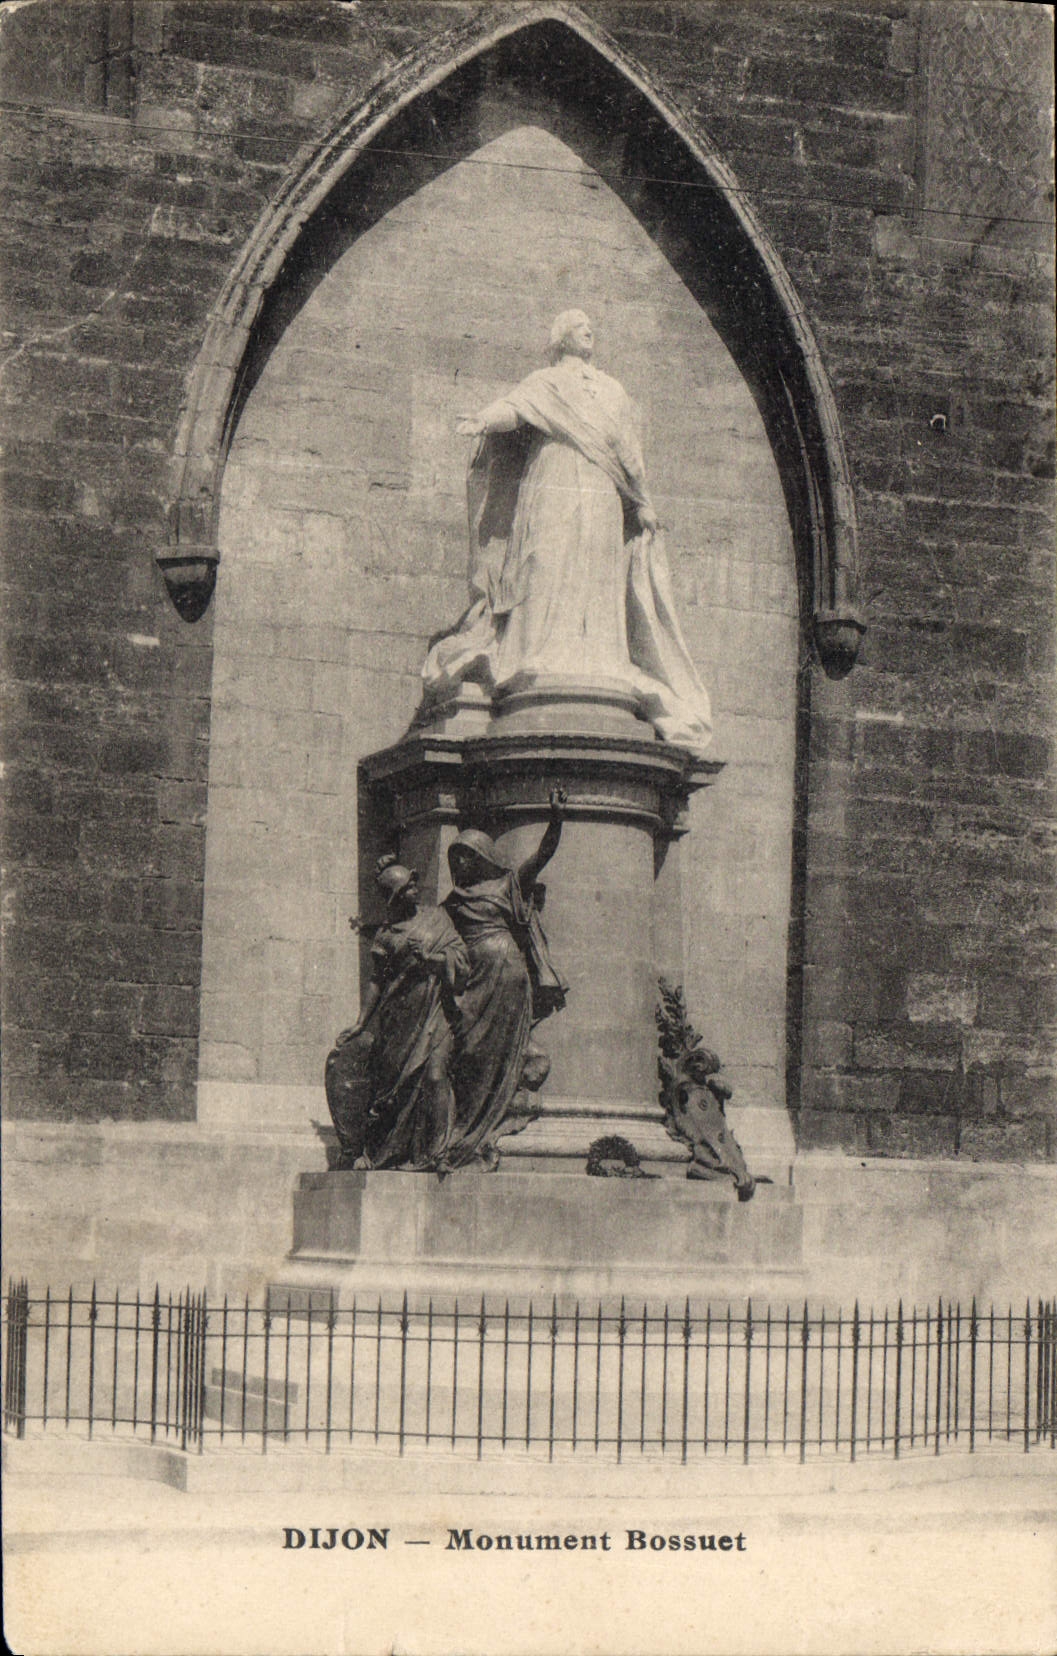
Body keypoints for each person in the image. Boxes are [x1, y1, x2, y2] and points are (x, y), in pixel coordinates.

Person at [421, 310, 712, 755]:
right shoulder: (545, 381)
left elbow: (629, 451)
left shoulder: (612, 389)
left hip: (600, 488)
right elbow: (514, 409)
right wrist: (482, 420)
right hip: (552, 479)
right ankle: (534, 654)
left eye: (590, 325)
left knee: (595, 569)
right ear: (561, 338)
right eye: (578, 325)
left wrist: (643, 502)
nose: (588, 330)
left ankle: (598, 661)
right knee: (546, 559)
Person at [440, 788, 569, 1168]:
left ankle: (485, 1125)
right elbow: (429, 929)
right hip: (475, 978)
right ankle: (468, 1127)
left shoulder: (507, 884)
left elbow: (542, 855)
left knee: (500, 1048)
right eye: (455, 856)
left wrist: (556, 818)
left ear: (482, 857)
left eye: (466, 854)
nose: (459, 861)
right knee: (470, 1048)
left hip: (508, 975)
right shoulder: (453, 901)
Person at [324, 855, 469, 1171]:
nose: (415, 891)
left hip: (437, 1010)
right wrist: (361, 1022)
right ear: (394, 897)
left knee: (435, 1075)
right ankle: (400, 1150)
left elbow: (460, 956)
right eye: (407, 889)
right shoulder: (387, 936)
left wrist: (433, 960)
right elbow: (377, 981)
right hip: (402, 1018)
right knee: (398, 1089)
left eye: (414, 884)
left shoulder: (438, 918)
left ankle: (439, 1153)